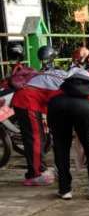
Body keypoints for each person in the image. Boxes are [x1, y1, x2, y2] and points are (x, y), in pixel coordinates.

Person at [48, 68, 89, 200]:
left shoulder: (57, 93)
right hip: (87, 110)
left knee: (61, 150)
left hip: (58, 107)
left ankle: (64, 190)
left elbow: (49, 109)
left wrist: (53, 131)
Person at [9, 47, 65, 186]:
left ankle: (38, 168)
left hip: (30, 102)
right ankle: (35, 174)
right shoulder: (65, 80)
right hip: (27, 102)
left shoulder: (55, 74)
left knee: (39, 138)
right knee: (35, 139)